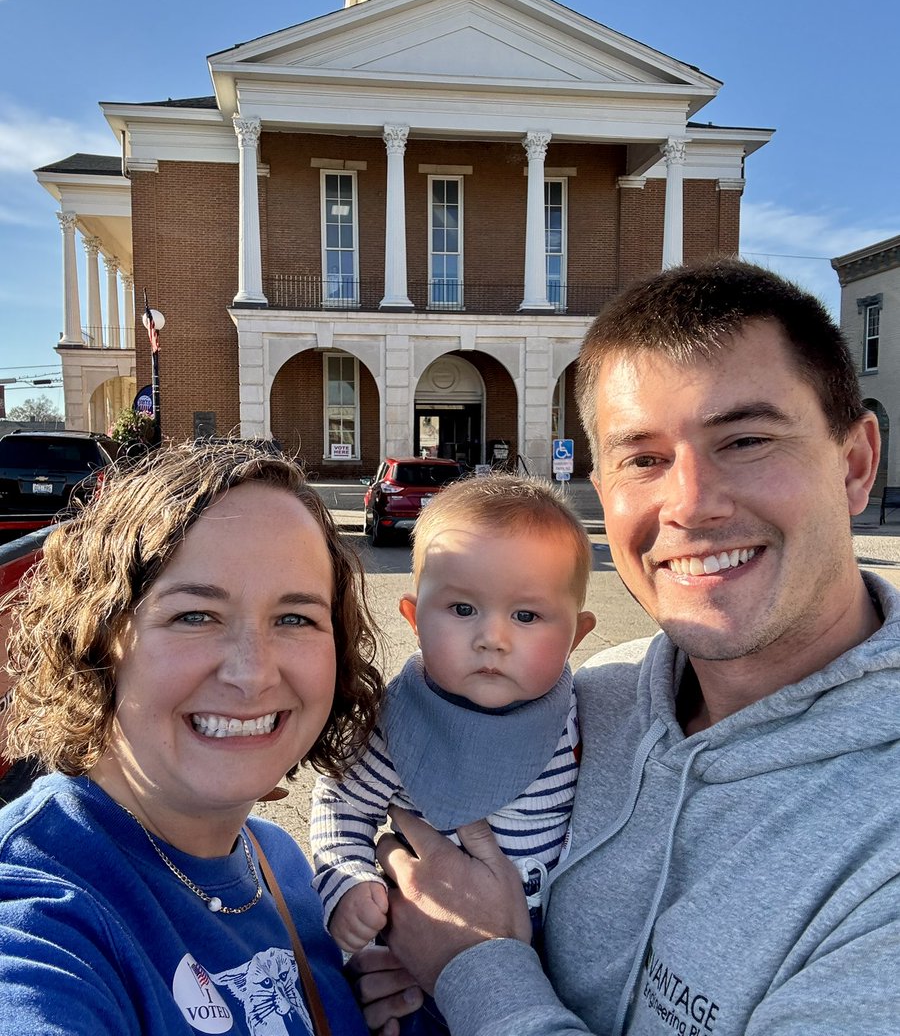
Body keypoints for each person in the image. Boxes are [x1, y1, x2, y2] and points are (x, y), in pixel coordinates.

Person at [358, 258, 900, 1036]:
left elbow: (482, 960)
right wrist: (401, 962)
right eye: (643, 459)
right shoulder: (590, 702)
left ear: (853, 466)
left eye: (745, 439)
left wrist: (474, 970)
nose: (690, 505)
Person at [0, 441, 384, 1035]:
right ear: (99, 639)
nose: (253, 672)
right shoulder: (35, 906)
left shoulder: (278, 864)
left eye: (295, 618)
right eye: (194, 616)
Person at [311, 474, 595, 969]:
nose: (492, 638)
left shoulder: (583, 716)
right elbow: (342, 805)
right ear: (415, 619)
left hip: (547, 965)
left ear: (576, 635)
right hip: (422, 952)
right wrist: (348, 882)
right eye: (462, 608)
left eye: (527, 616)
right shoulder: (397, 723)